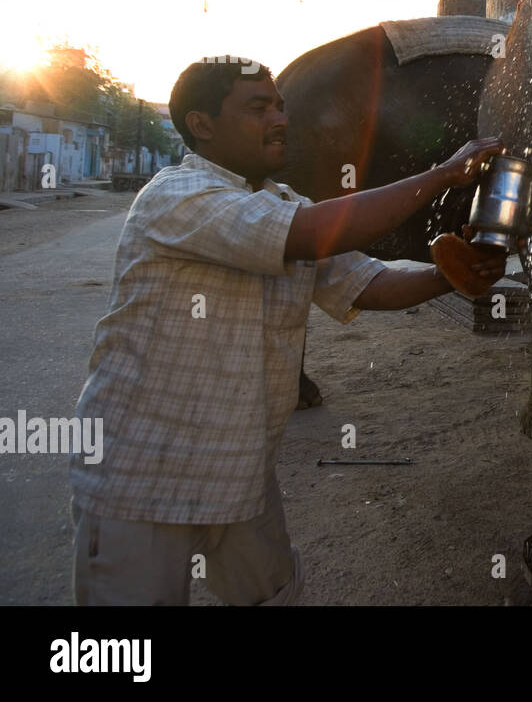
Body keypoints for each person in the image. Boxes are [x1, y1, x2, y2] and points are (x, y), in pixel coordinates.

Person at [69, 56, 509, 606]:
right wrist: (444, 173)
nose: (279, 118)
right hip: (142, 472)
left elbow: (367, 284)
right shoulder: (175, 198)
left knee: (274, 596)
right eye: (258, 108)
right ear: (201, 125)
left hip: (239, 468)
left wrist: (452, 277)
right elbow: (309, 234)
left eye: (279, 106)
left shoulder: (282, 204)